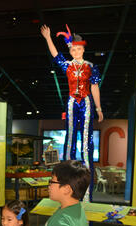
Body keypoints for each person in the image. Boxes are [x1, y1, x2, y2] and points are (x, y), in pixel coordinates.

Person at [41, 24, 102, 202]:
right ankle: (67, 177)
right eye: (73, 49)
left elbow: (95, 87)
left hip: (86, 102)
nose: (76, 51)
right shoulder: (67, 65)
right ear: (71, 50)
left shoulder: (91, 66)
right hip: (71, 103)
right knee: (69, 138)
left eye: (79, 48)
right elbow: (55, 55)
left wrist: (99, 108)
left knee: (86, 139)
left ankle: (87, 187)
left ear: (83, 49)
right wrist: (48, 38)